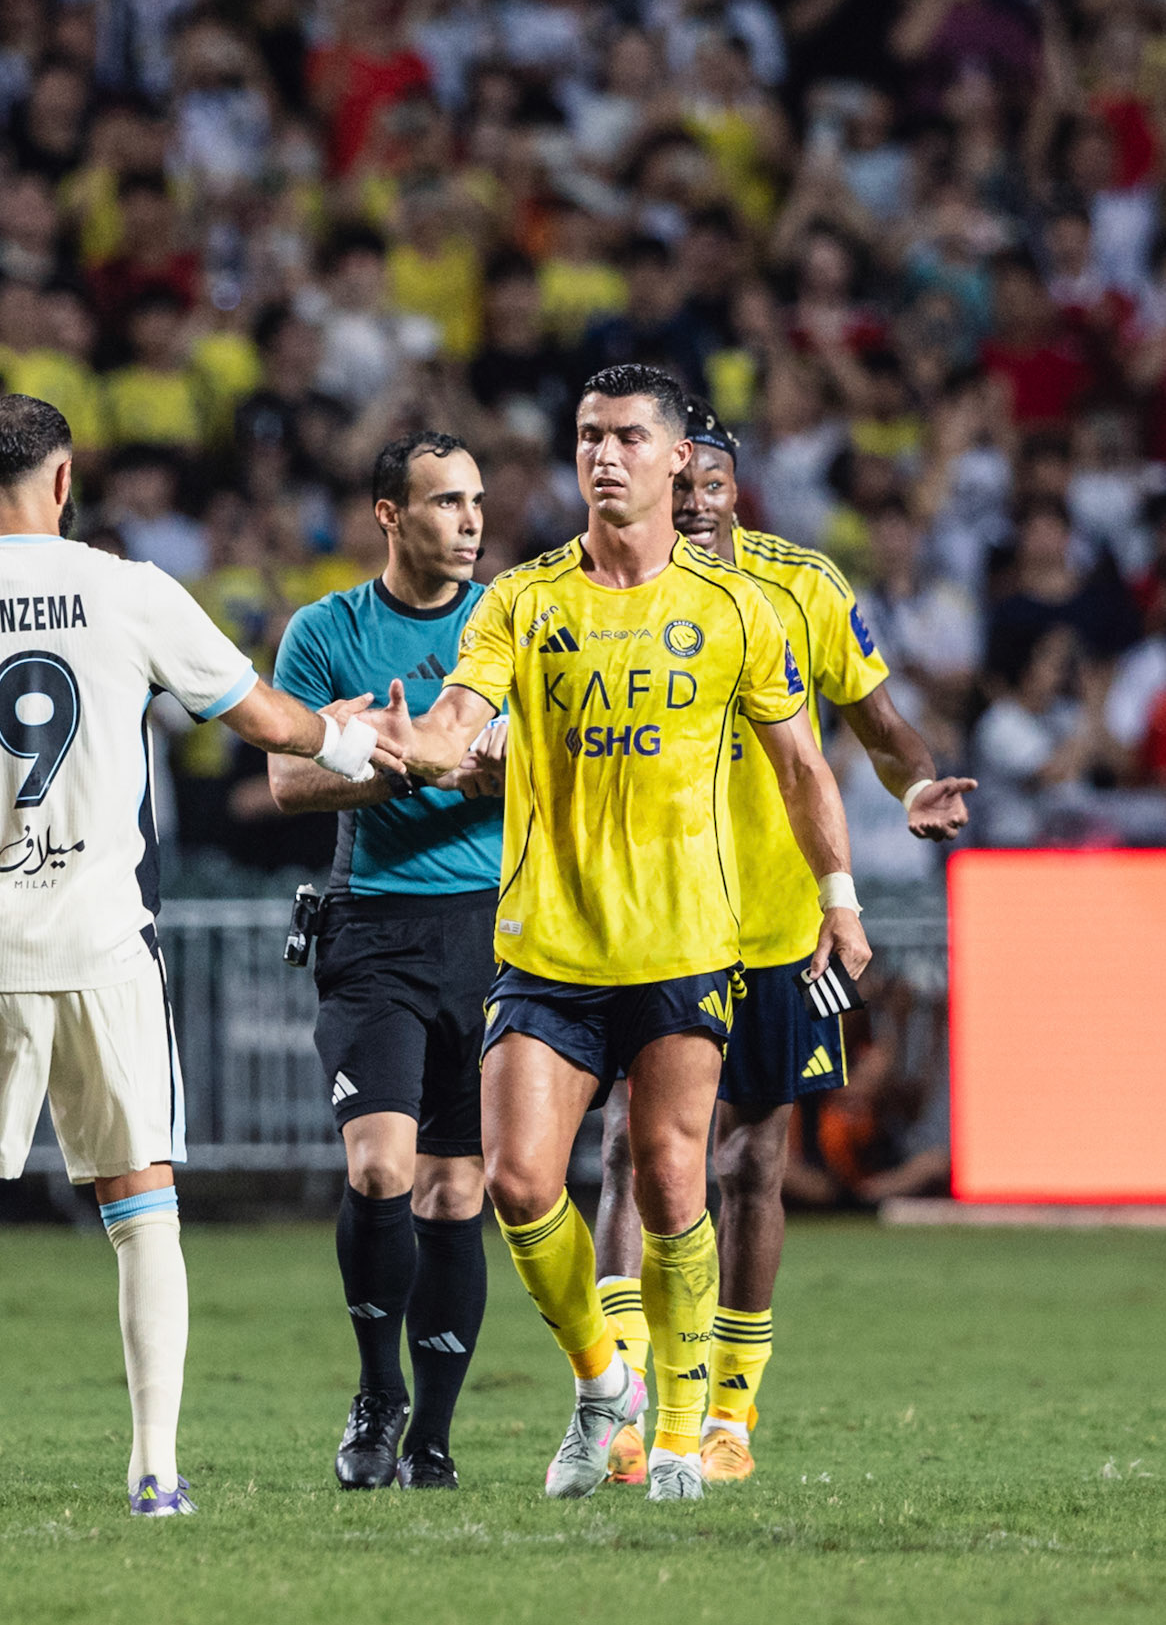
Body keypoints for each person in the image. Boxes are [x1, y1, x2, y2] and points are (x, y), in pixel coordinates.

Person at [0, 394, 402, 1527]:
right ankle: (156, 1478)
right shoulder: (132, 590)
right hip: (103, 943)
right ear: (64, 481)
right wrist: (350, 737)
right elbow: (265, 722)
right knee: (142, 1205)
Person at [364, 364, 870, 1503]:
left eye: (629, 437)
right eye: (590, 434)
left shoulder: (735, 606)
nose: (603, 454)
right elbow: (458, 720)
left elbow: (803, 766)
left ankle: (682, 1430)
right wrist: (419, 741)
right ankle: (605, 1383)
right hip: (548, 944)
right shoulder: (524, 598)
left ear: (678, 458)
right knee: (517, 1182)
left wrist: (838, 896)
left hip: (685, 944)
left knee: (676, 1184)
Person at [588, 404, 975, 1485]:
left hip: (776, 927)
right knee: (630, 1148)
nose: (694, 502)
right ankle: (620, 1400)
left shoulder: (803, 586)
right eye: (680, 484)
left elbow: (880, 726)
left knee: (752, 1162)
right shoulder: (608, 588)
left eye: (711, 484)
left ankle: (730, 1415)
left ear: (736, 490)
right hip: (654, 918)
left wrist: (914, 784)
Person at [268, 431, 498, 1492]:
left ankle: (434, 1440)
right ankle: (377, 1391)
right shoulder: (326, 630)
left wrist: (438, 761)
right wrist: (401, 769)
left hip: (491, 930)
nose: (470, 520)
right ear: (389, 515)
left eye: (476, 500)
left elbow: (539, 772)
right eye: (446, 501)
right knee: (378, 1169)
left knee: (454, 1192)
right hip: (372, 928)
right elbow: (288, 782)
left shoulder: (506, 622)